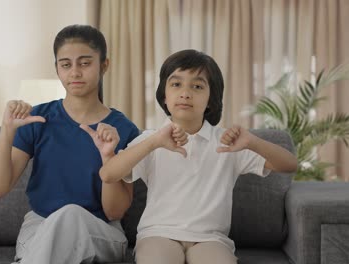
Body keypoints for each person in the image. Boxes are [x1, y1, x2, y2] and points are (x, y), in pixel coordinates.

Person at [99, 49, 298, 264]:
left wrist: (252, 142)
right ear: (164, 96)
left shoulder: (228, 142)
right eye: (176, 84)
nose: (185, 93)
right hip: (158, 234)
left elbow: (290, 164)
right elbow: (108, 174)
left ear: (211, 99)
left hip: (210, 239)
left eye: (197, 86)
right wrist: (154, 142)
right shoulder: (150, 140)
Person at [0, 24, 139, 264]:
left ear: (104, 65)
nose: (75, 72)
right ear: (57, 68)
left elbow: (115, 212)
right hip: (40, 226)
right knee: (59, 230)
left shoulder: (124, 130)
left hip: (101, 230)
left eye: (85, 63)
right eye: (66, 64)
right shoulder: (38, 119)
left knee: (69, 215)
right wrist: (6, 131)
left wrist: (108, 157)